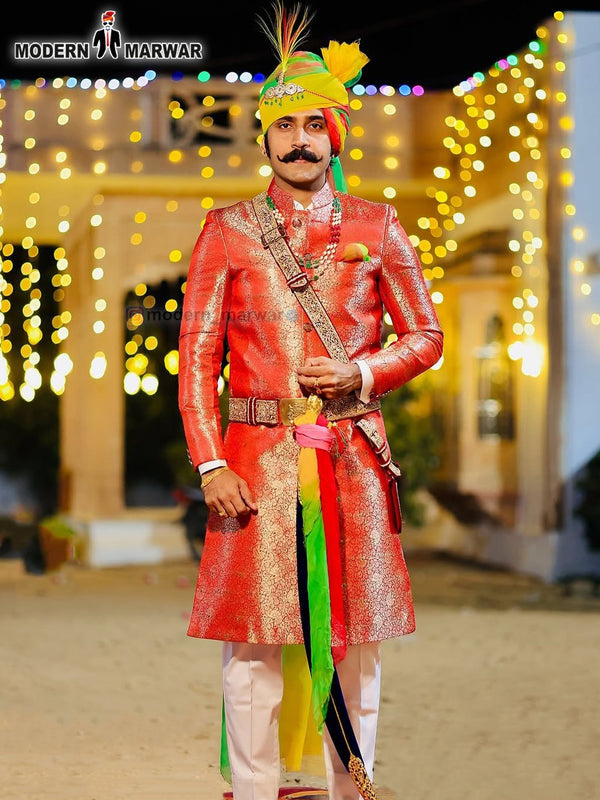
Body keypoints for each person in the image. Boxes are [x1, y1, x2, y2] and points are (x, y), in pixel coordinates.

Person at [178, 5, 443, 799]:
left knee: (357, 645)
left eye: (315, 126)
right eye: (285, 126)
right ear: (264, 139)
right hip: (255, 465)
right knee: (253, 649)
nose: (301, 140)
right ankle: (255, 792)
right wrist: (211, 461)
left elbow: (425, 335)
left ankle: (348, 789)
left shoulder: (378, 224)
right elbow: (196, 360)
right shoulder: (225, 231)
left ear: (336, 137)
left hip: (354, 460)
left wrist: (362, 374)